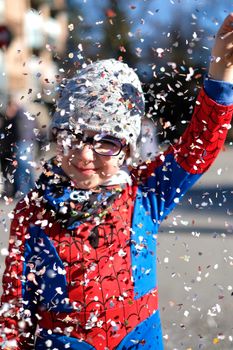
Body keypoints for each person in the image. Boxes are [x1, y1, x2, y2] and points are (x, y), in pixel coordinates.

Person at [0, 13, 233, 350]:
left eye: (106, 142)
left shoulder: (144, 192)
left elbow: (199, 146)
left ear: (127, 149)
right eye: (72, 136)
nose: (84, 155)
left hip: (138, 337)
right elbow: (15, 308)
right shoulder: (32, 211)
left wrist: (220, 72)